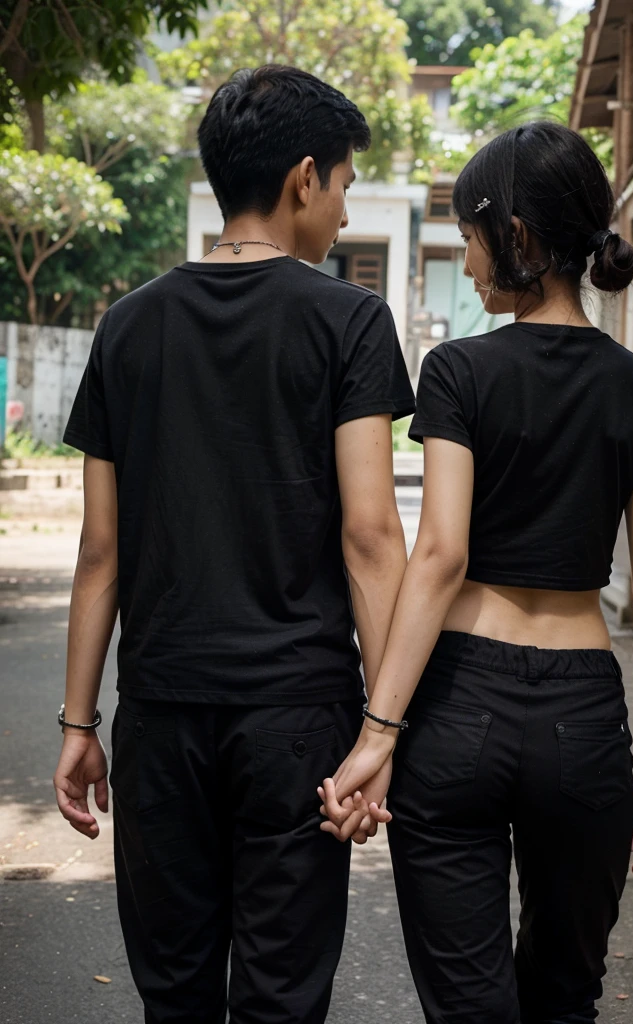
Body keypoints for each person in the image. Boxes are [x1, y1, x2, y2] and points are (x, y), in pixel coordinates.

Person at [53, 64, 415, 1024]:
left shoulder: (125, 328)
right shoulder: (351, 320)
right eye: (341, 184)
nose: (341, 209)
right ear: (304, 178)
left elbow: (102, 550)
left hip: (163, 716)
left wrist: (80, 724)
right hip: (298, 721)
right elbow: (374, 537)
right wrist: (384, 734)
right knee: (281, 999)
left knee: (173, 996)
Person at [320, 121, 633, 1024]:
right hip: (586, 717)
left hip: (460, 708)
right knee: (565, 999)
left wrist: (378, 730)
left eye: (471, 236)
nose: (465, 256)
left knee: (469, 1007)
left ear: (516, 235)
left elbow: (440, 555)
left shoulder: (459, 371)